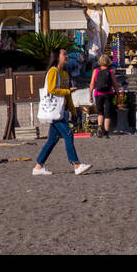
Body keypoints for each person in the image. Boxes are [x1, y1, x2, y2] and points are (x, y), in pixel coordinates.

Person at [33, 47, 90, 176]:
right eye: (64, 54)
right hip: (54, 110)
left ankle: (38, 166)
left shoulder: (64, 73)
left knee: (52, 140)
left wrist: (73, 110)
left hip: (60, 110)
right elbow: (52, 89)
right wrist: (68, 91)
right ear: (57, 57)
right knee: (68, 135)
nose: (67, 56)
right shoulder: (53, 71)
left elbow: (67, 96)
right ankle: (76, 164)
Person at [90, 54, 118, 139]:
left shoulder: (96, 71)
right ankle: (106, 132)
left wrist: (90, 95)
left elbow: (92, 84)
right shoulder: (110, 71)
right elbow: (115, 84)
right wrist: (118, 94)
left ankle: (99, 127)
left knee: (100, 112)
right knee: (107, 113)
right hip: (108, 93)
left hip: (98, 93)